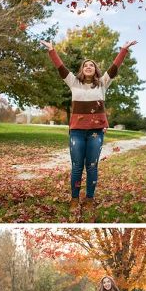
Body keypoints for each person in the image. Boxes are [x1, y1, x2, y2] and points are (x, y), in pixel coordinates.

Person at [40, 39, 138, 216]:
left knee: (92, 166)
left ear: (95, 70)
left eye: (92, 65)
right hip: (76, 131)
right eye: (86, 65)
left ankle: (90, 199)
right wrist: (52, 50)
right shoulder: (73, 83)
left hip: (96, 132)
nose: (89, 66)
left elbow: (114, 68)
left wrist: (123, 50)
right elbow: (60, 68)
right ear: (82, 69)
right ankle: (75, 199)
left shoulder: (102, 83)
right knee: (77, 166)